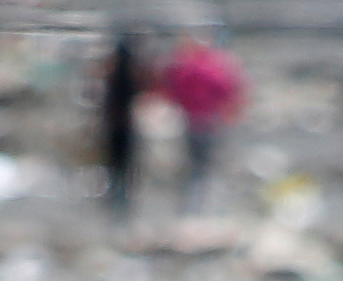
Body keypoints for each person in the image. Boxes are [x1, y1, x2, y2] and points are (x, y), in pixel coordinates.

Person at [158, 35, 245, 217]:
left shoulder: (185, 66)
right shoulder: (214, 67)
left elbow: (173, 89)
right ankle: (207, 207)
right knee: (209, 164)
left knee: (193, 163)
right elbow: (226, 89)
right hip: (210, 119)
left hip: (190, 119)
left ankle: (190, 206)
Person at [98, 31, 149, 221]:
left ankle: (116, 197)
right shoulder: (131, 73)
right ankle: (122, 199)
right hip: (126, 124)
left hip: (114, 123)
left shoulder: (112, 73)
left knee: (114, 163)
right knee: (126, 164)